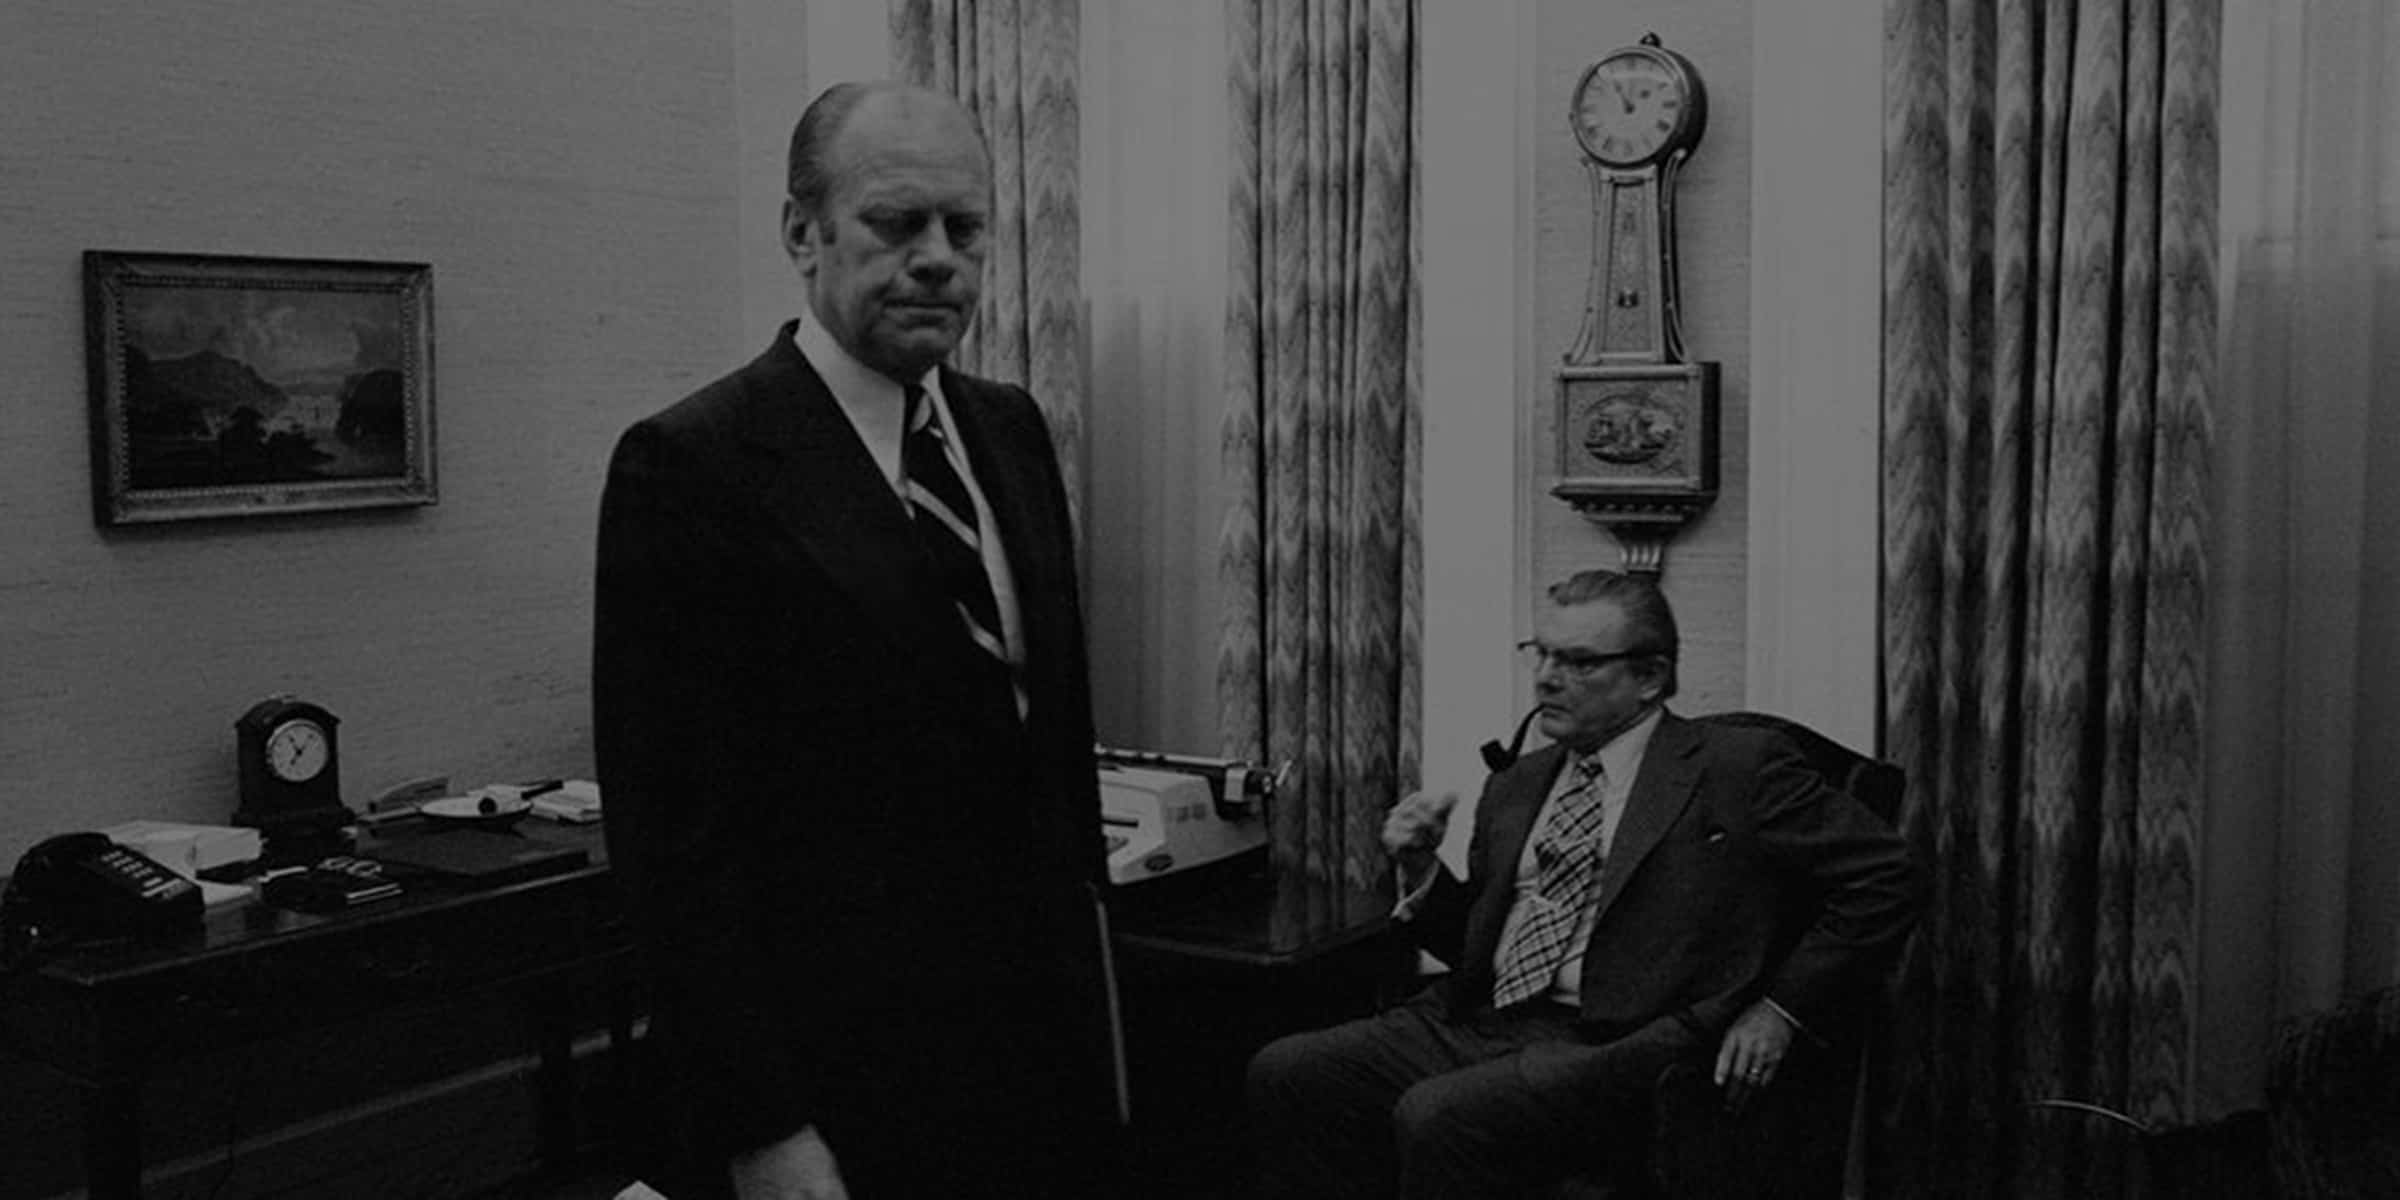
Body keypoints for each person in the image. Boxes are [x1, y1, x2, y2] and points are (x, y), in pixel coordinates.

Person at [594, 81, 1116, 1199]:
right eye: (895, 223)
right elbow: (675, 843)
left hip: (1032, 1056)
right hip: (834, 1079)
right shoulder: (695, 465)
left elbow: (1046, 752)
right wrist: (762, 1124)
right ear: (802, 231)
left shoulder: (1010, 429)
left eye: (964, 228)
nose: (938, 258)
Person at [1246, 569, 1921, 1199]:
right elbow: (1475, 953)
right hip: (1485, 1019)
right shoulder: (1518, 784)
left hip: (1624, 1037)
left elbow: (1890, 876)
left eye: (1578, 662)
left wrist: (1782, 1008)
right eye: (1540, 654)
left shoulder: (1737, 768)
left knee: (1440, 1115)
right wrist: (1422, 869)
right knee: (1292, 1071)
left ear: (1650, 677)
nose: (1546, 679)